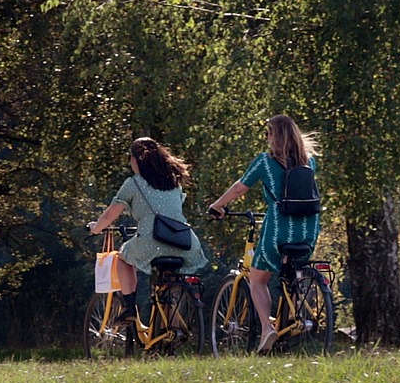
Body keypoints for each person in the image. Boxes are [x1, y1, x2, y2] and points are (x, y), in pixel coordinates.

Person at [206, 115, 320, 353]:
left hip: (278, 230)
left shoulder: (264, 162)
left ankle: (268, 330)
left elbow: (240, 187)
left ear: (275, 136)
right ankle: (290, 321)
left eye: (268, 133)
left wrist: (218, 205)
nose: (266, 137)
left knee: (258, 280)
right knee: (291, 274)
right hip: (309, 228)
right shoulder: (309, 161)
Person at [86, 137, 211, 300]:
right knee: (169, 287)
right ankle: (173, 323)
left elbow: (110, 214)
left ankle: (129, 309)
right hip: (185, 243)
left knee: (121, 258)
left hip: (151, 242)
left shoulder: (133, 183)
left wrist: (96, 228)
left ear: (136, 159)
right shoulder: (174, 182)